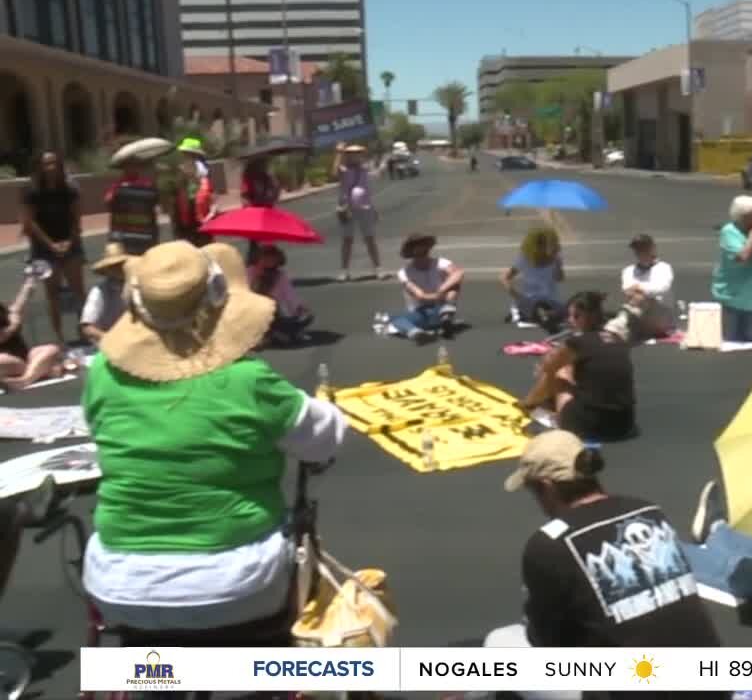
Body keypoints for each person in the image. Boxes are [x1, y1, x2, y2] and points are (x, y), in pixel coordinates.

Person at [81, 240, 347, 644]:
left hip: (118, 585)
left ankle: (156, 679)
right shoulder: (248, 380)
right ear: (220, 301)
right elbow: (324, 439)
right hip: (235, 586)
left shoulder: (103, 371)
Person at [489, 430, 723, 669]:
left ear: (547, 487)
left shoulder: (549, 545)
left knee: (500, 642)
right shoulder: (647, 511)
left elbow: (548, 641)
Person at [521, 292, 636, 442]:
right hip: (624, 424)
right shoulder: (617, 339)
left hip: (590, 425)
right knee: (575, 371)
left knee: (559, 373)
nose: (570, 320)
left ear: (588, 317)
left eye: (575, 316)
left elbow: (548, 368)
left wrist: (528, 402)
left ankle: (536, 408)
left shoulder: (577, 342)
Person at [21, 150, 85, 346]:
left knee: (79, 291)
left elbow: (76, 217)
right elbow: (30, 222)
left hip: (70, 244)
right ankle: (59, 338)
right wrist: (51, 244)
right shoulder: (32, 191)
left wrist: (70, 241)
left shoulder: (69, 188)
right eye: (47, 164)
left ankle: (85, 330)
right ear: (39, 167)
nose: (51, 167)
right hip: (44, 249)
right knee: (53, 295)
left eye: (54, 163)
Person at [711, 196, 752, 343]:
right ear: (743, 216)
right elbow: (742, 257)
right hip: (732, 298)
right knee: (731, 342)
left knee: (751, 341)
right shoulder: (729, 231)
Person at [391, 233, 465, 342]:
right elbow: (420, 296)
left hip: (442, 308)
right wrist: (439, 295)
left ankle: (445, 314)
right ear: (411, 251)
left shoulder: (441, 262)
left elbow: (459, 273)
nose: (422, 248)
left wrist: (442, 289)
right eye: (418, 246)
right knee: (395, 319)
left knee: (454, 284)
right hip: (422, 313)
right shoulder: (404, 273)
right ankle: (416, 333)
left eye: (424, 245)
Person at [605, 234, 676, 343]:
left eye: (644, 248)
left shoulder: (664, 268)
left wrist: (640, 288)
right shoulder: (628, 271)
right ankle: (617, 332)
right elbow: (627, 290)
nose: (641, 252)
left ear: (652, 248)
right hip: (638, 317)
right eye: (638, 249)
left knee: (642, 298)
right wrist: (640, 291)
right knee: (638, 299)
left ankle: (615, 327)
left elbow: (663, 288)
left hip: (660, 318)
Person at [0, 272, 65, 391]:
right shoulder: (12, 321)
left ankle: (26, 379)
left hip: (25, 360)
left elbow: (20, 301)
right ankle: (42, 371)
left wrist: (30, 281)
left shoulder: (8, 314)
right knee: (3, 359)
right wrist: (13, 326)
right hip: (6, 363)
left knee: (51, 349)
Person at [332, 143, 386, 281]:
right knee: (347, 240)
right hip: (347, 208)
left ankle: (378, 268)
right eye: (350, 153)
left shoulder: (365, 169)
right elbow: (333, 172)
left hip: (365, 207)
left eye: (357, 153)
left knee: (370, 239)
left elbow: (377, 175)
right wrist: (338, 153)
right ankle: (344, 271)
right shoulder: (343, 170)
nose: (354, 156)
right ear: (347, 155)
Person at [502, 227, 566, 331]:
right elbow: (505, 278)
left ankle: (537, 315)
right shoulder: (524, 259)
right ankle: (523, 312)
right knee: (537, 310)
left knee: (563, 312)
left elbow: (560, 278)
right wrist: (515, 294)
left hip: (550, 299)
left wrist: (558, 265)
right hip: (530, 300)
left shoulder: (555, 258)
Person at [249, 244, 314, 346]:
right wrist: (257, 278)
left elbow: (290, 296)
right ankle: (269, 335)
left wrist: (298, 307)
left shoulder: (280, 276)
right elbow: (243, 292)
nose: (268, 260)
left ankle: (277, 333)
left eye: (271, 257)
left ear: (277, 260)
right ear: (259, 258)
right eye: (265, 257)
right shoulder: (250, 271)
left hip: (276, 315)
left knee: (306, 317)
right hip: (253, 312)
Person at [79, 243, 130, 345]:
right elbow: (87, 327)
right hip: (110, 341)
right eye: (114, 266)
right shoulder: (99, 291)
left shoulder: (137, 284)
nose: (119, 269)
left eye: (121, 264)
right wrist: (109, 339)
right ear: (107, 270)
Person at [172, 144, 214, 247]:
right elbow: (175, 204)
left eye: (189, 155)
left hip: (202, 224)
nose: (186, 158)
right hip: (185, 224)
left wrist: (210, 216)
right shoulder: (180, 178)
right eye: (185, 155)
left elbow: (213, 201)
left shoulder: (205, 177)